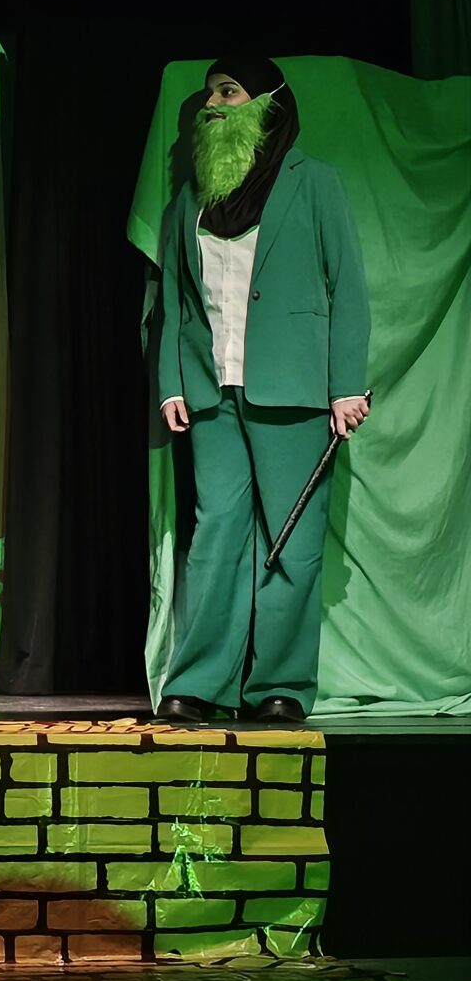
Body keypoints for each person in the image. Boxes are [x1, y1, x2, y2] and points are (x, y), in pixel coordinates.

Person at [154, 55, 371, 726]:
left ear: (267, 104)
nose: (213, 105)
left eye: (229, 92)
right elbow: (175, 300)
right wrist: (171, 382)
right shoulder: (190, 200)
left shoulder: (314, 183)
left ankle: (279, 685)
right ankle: (200, 683)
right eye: (210, 94)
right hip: (212, 391)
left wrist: (346, 386)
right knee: (215, 531)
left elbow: (347, 287)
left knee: (291, 538)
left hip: (294, 389)